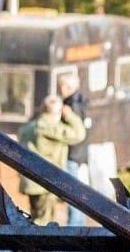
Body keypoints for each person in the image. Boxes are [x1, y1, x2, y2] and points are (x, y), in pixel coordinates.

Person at [19, 94, 88, 224]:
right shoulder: (49, 128)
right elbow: (79, 134)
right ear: (58, 112)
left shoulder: (30, 127)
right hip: (45, 182)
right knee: (43, 223)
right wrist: (69, 115)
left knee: (35, 219)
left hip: (31, 181)